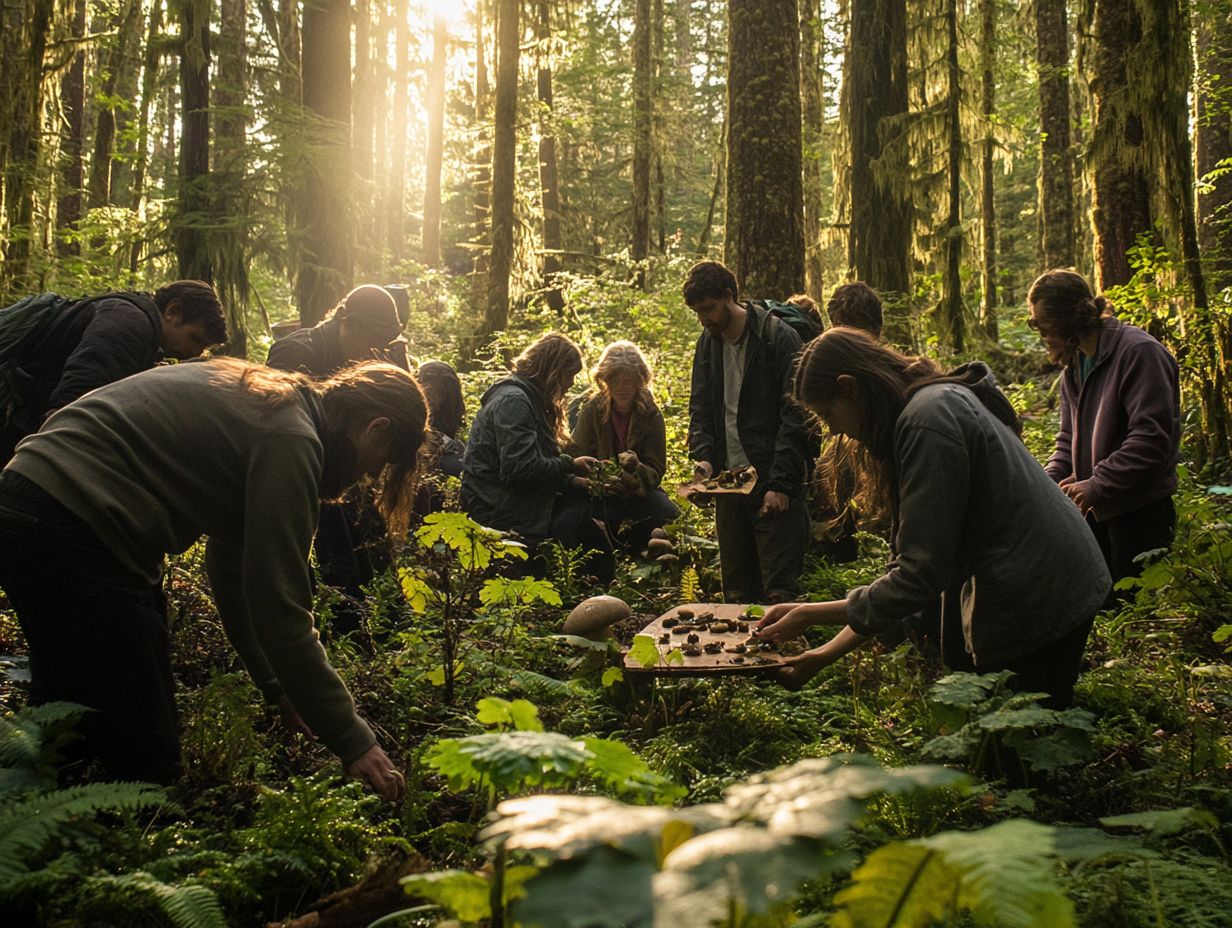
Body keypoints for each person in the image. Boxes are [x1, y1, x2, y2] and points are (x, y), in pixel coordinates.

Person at [0, 359, 427, 798]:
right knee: (144, 752)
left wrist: (276, 686)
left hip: (29, 501)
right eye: (383, 462)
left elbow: (234, 573)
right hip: (70, 524)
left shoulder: (273, 402)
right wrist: (355, 742)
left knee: (66, 706)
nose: (371, 476)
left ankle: (32, 818)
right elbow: (280, 610)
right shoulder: (291, 437)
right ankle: (98, 841)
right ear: (377, 428)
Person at [755, 328, 1112, 708]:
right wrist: (822, 655)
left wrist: (807, 615)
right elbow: (908, 570)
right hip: (1044, 576)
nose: (832, 429)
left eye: (828, 413)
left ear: (850, 388)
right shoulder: (925, 409)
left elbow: (918, 578)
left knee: (1021, 741)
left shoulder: (928, 420)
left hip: (1042, 587)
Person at [266, 284, 410, 630]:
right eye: (370, 338)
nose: (373, 351)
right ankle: (337, 630)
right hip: (308, 472)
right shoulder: (295, 352)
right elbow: (275, 426)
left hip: (352, 472)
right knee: (332, 558)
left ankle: (388, 628)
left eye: (381, 342)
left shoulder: (373, 354)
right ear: (346, 320)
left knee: (375, 550)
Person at [1028, 269, 1181, 585]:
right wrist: (1044, 486)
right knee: (1099, 608)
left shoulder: (1139, 353)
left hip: (1140, 513)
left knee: (1136, 616)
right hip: (1095, 513)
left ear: (1066, 320)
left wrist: (1097, 483)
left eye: (1040, 324)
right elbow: (1067, 441)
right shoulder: (1074, 368)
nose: (1039, 332)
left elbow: (1151, 438)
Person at [684, 260, 811, 603]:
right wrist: (705, 462)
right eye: (697, 312)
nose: (704, 319)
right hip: (729, 486)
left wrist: (782, 485)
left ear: (729, 296)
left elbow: (796, 414)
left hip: (772, 483)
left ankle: (786, 657)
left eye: (708, 309)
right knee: (737, 595)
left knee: (780, 593)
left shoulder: (778, 338)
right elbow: (701, 409)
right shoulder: (707, 344)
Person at [0, 280, 227, 462]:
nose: (194, 351)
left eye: (204, 347)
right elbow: (79, 397)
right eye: (194, 338)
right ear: (173, 311)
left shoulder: (132, 320)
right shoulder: (129, 323)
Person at [461, 333, 614, 584]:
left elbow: (530, 471)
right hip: (497, 509)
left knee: (590, 508)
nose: (570, 384)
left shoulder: (529, 400)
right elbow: (519, 470)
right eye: (569, 375)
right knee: (578, 518)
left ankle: (593, 589)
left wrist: (573, 481)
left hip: (507, 498)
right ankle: (583, 589)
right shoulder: (515, 401)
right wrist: (569, 464)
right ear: (553, 371)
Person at [565, 341, 678, 552]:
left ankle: (654, 549)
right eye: (615, 380)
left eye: (629, 381)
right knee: (576, 520)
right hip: (601, 493)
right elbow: (575, 455)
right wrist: (598, 480)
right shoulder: (593, 408)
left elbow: (656, 469)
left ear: (640, 381)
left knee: (669, 515)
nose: (622, 387)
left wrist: (635, 472)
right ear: (605, 380)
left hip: (639, 494)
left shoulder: (650, 413)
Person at [267, 283, 408, 376]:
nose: (375, 352)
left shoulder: (367, 356)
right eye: (374, 341)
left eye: (383, 344)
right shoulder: (293, 352)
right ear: (351, 324)